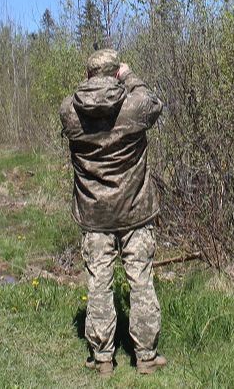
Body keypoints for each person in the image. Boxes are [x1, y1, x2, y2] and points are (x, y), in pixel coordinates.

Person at [59, 49, 168, 376]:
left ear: (89, 75)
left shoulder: (70, 111)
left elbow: (81, 106)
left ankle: (103, 357)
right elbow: (153, 101)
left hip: (94, 213)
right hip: (135, 210)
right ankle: (146, 356)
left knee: (99, 284)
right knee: (141, 282)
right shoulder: (133, 107)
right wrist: (129, 76)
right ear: (115, 72)